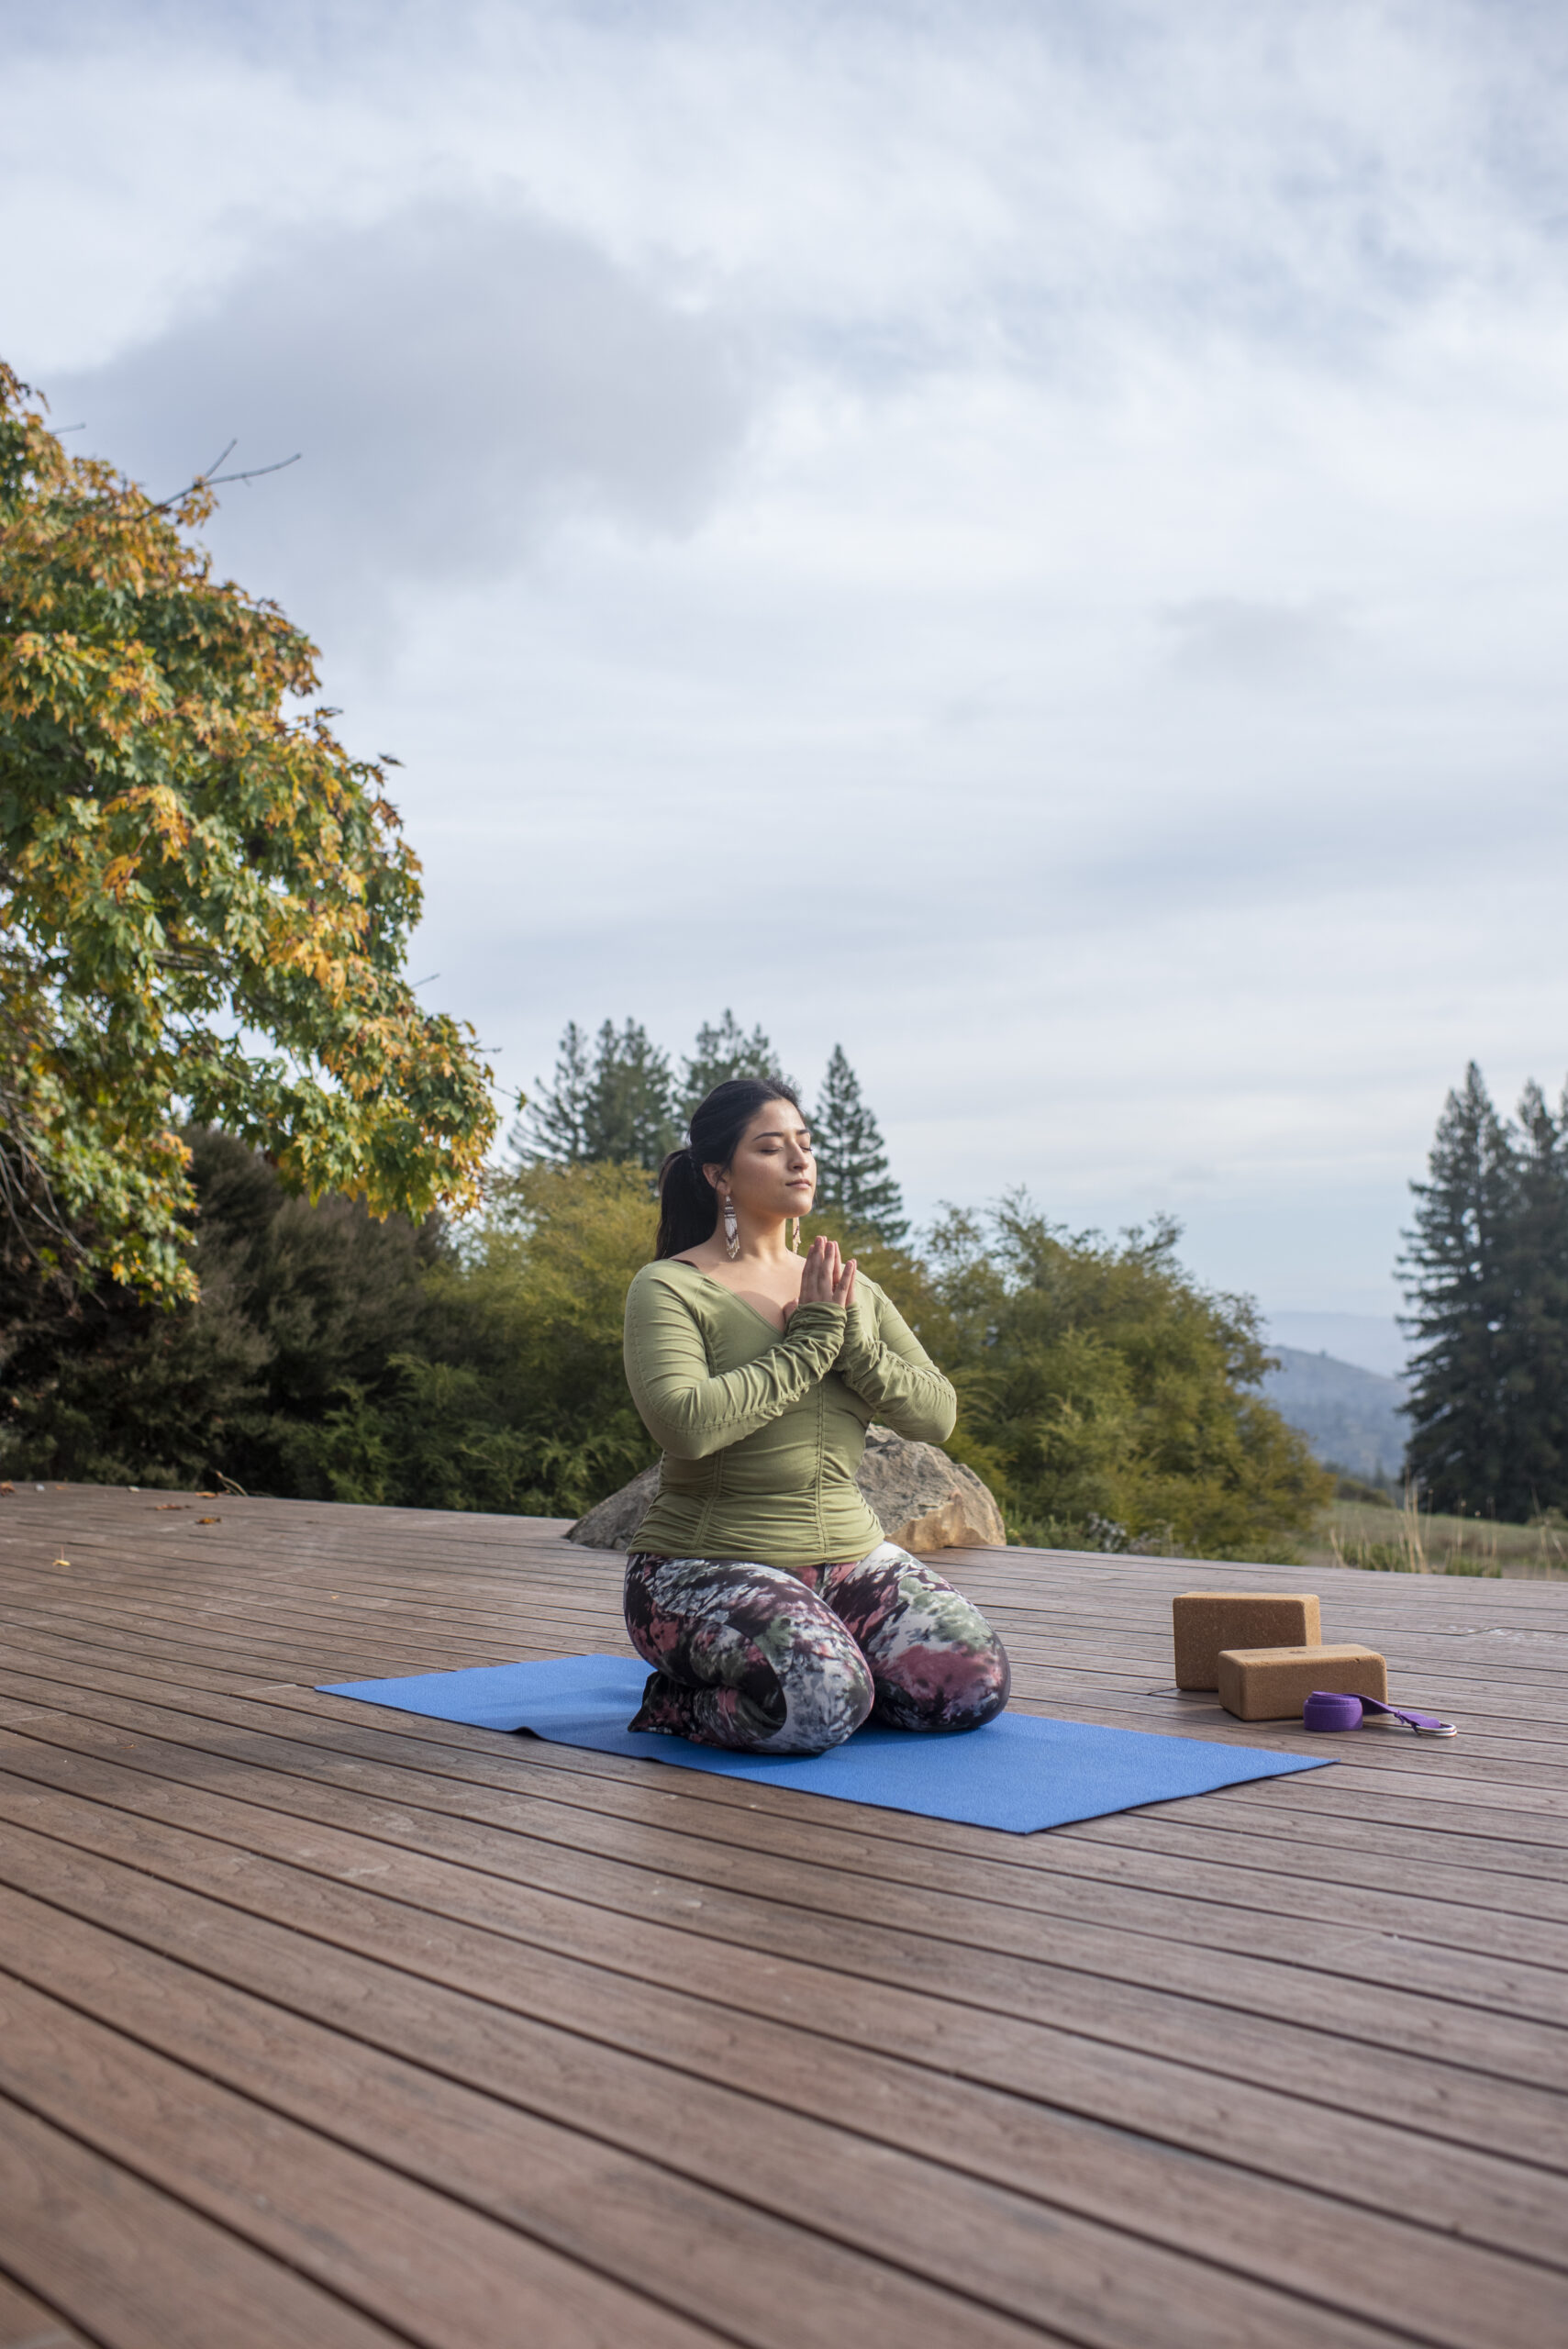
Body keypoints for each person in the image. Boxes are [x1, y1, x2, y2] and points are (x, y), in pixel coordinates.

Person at [620, 1076, 1010, 1754]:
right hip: (699, 1566)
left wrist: (850, 1343)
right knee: (821, 1701)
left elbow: (935, 1414)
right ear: (718, 1175)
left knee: (967, 1688)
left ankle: (826, 1659)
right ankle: (681, 1704)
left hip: (848, 1562)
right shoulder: (670, 1287)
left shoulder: (844, 1291)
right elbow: (683, 1424)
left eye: (804, 1144)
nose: (799, 1159)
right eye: (771, 1148)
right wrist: (808, 1346)